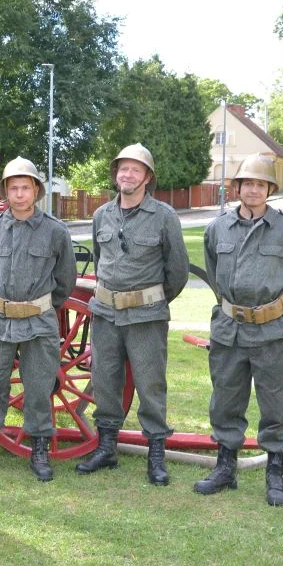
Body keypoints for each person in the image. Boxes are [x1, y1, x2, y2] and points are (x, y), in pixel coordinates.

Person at [194, 153, 283, 506]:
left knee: (277, 403)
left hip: (273, 331)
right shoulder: (217, 229)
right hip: (229, 330)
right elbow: (215, 276)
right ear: (238, 188)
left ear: (269, 189)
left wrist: (279, 316)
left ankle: (276, 473)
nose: (254, 190)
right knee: (226, 400)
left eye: (260, 184)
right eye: (248, 184)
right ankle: (225, 468)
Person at [76, 143, 188, 485]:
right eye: (123, 169)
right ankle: (106, 448)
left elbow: (178, 271)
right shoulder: (101, 216)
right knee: (106, 380)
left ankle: (156, 455)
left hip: (146, 317)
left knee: (150, 384)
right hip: (106, 314)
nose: (127, 175)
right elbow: (99, 258)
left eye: (135, 170)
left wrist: (150, 300)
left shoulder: (164, 217)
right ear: (116, 174)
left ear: (147, 177)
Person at [0, 156, 77, 482]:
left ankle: (39, 450)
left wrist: (37, 305)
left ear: (36, 191)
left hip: (39, 322)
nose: (19, 194)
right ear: (5, 192)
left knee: (39, 387)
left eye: (25, 187)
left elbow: (65, 281)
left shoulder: (55, 232)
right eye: (13, 188)